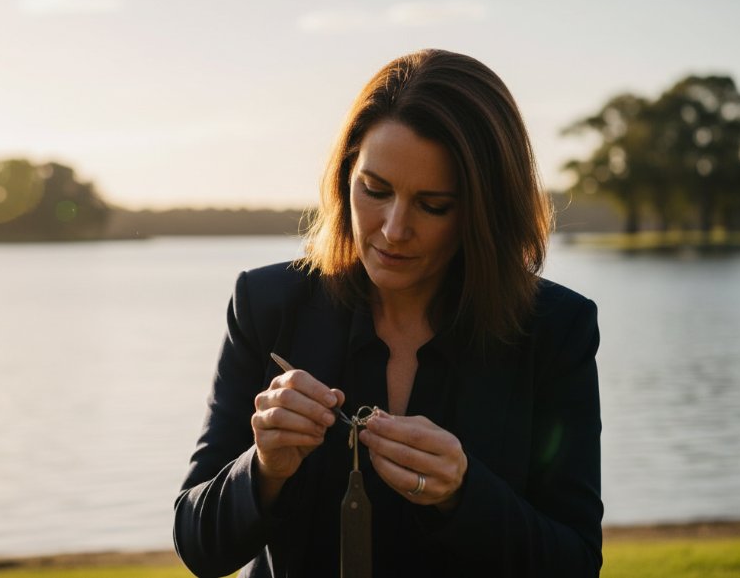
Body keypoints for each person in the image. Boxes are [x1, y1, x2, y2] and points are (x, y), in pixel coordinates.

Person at [173, 49, 602, 577]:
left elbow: (576, 562)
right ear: (345, 178)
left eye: (433, 205)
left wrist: (464, 494)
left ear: (485, 210)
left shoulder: (555, 328)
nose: (394, 230)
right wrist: (264, 469)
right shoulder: (267, 304)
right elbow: (197, 545)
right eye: (375, 190)